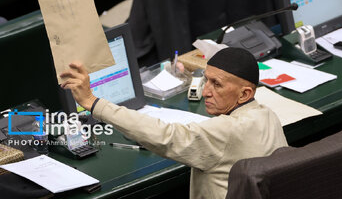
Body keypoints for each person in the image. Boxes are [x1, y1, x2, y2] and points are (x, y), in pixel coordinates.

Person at [60, 47, 288, 199]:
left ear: (244, 94)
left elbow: (164, 135)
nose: (205, 91)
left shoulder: (227, 131)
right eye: (206, 80)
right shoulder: (268, 115)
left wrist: (92, 101)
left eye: (217, 85)